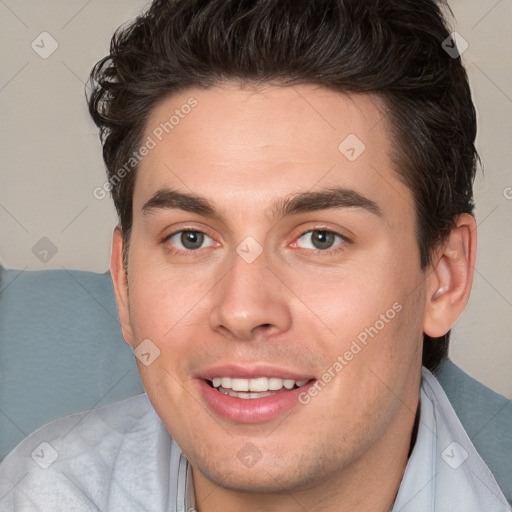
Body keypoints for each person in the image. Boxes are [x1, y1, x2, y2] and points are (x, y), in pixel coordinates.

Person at [0, 0, 510, 510]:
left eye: (320, 239)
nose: (242, 311)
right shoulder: (39, 490)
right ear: (125, 282)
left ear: (444, 276)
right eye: (191, 238)